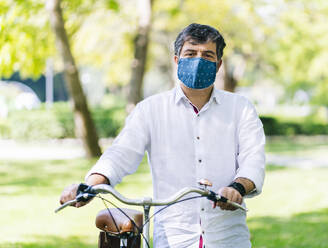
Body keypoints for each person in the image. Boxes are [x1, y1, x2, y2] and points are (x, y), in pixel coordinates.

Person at [60, 23, 265, 248]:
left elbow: (253, 159)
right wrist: (89, 186)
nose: (199, 60)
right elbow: (121, 154)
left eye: (207, 55)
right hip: (172, 237)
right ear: (177, 60)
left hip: (228, 237)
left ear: (218, 64)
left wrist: (236, 188)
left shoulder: (241, 108)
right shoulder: (150, 110)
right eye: (191, 54)